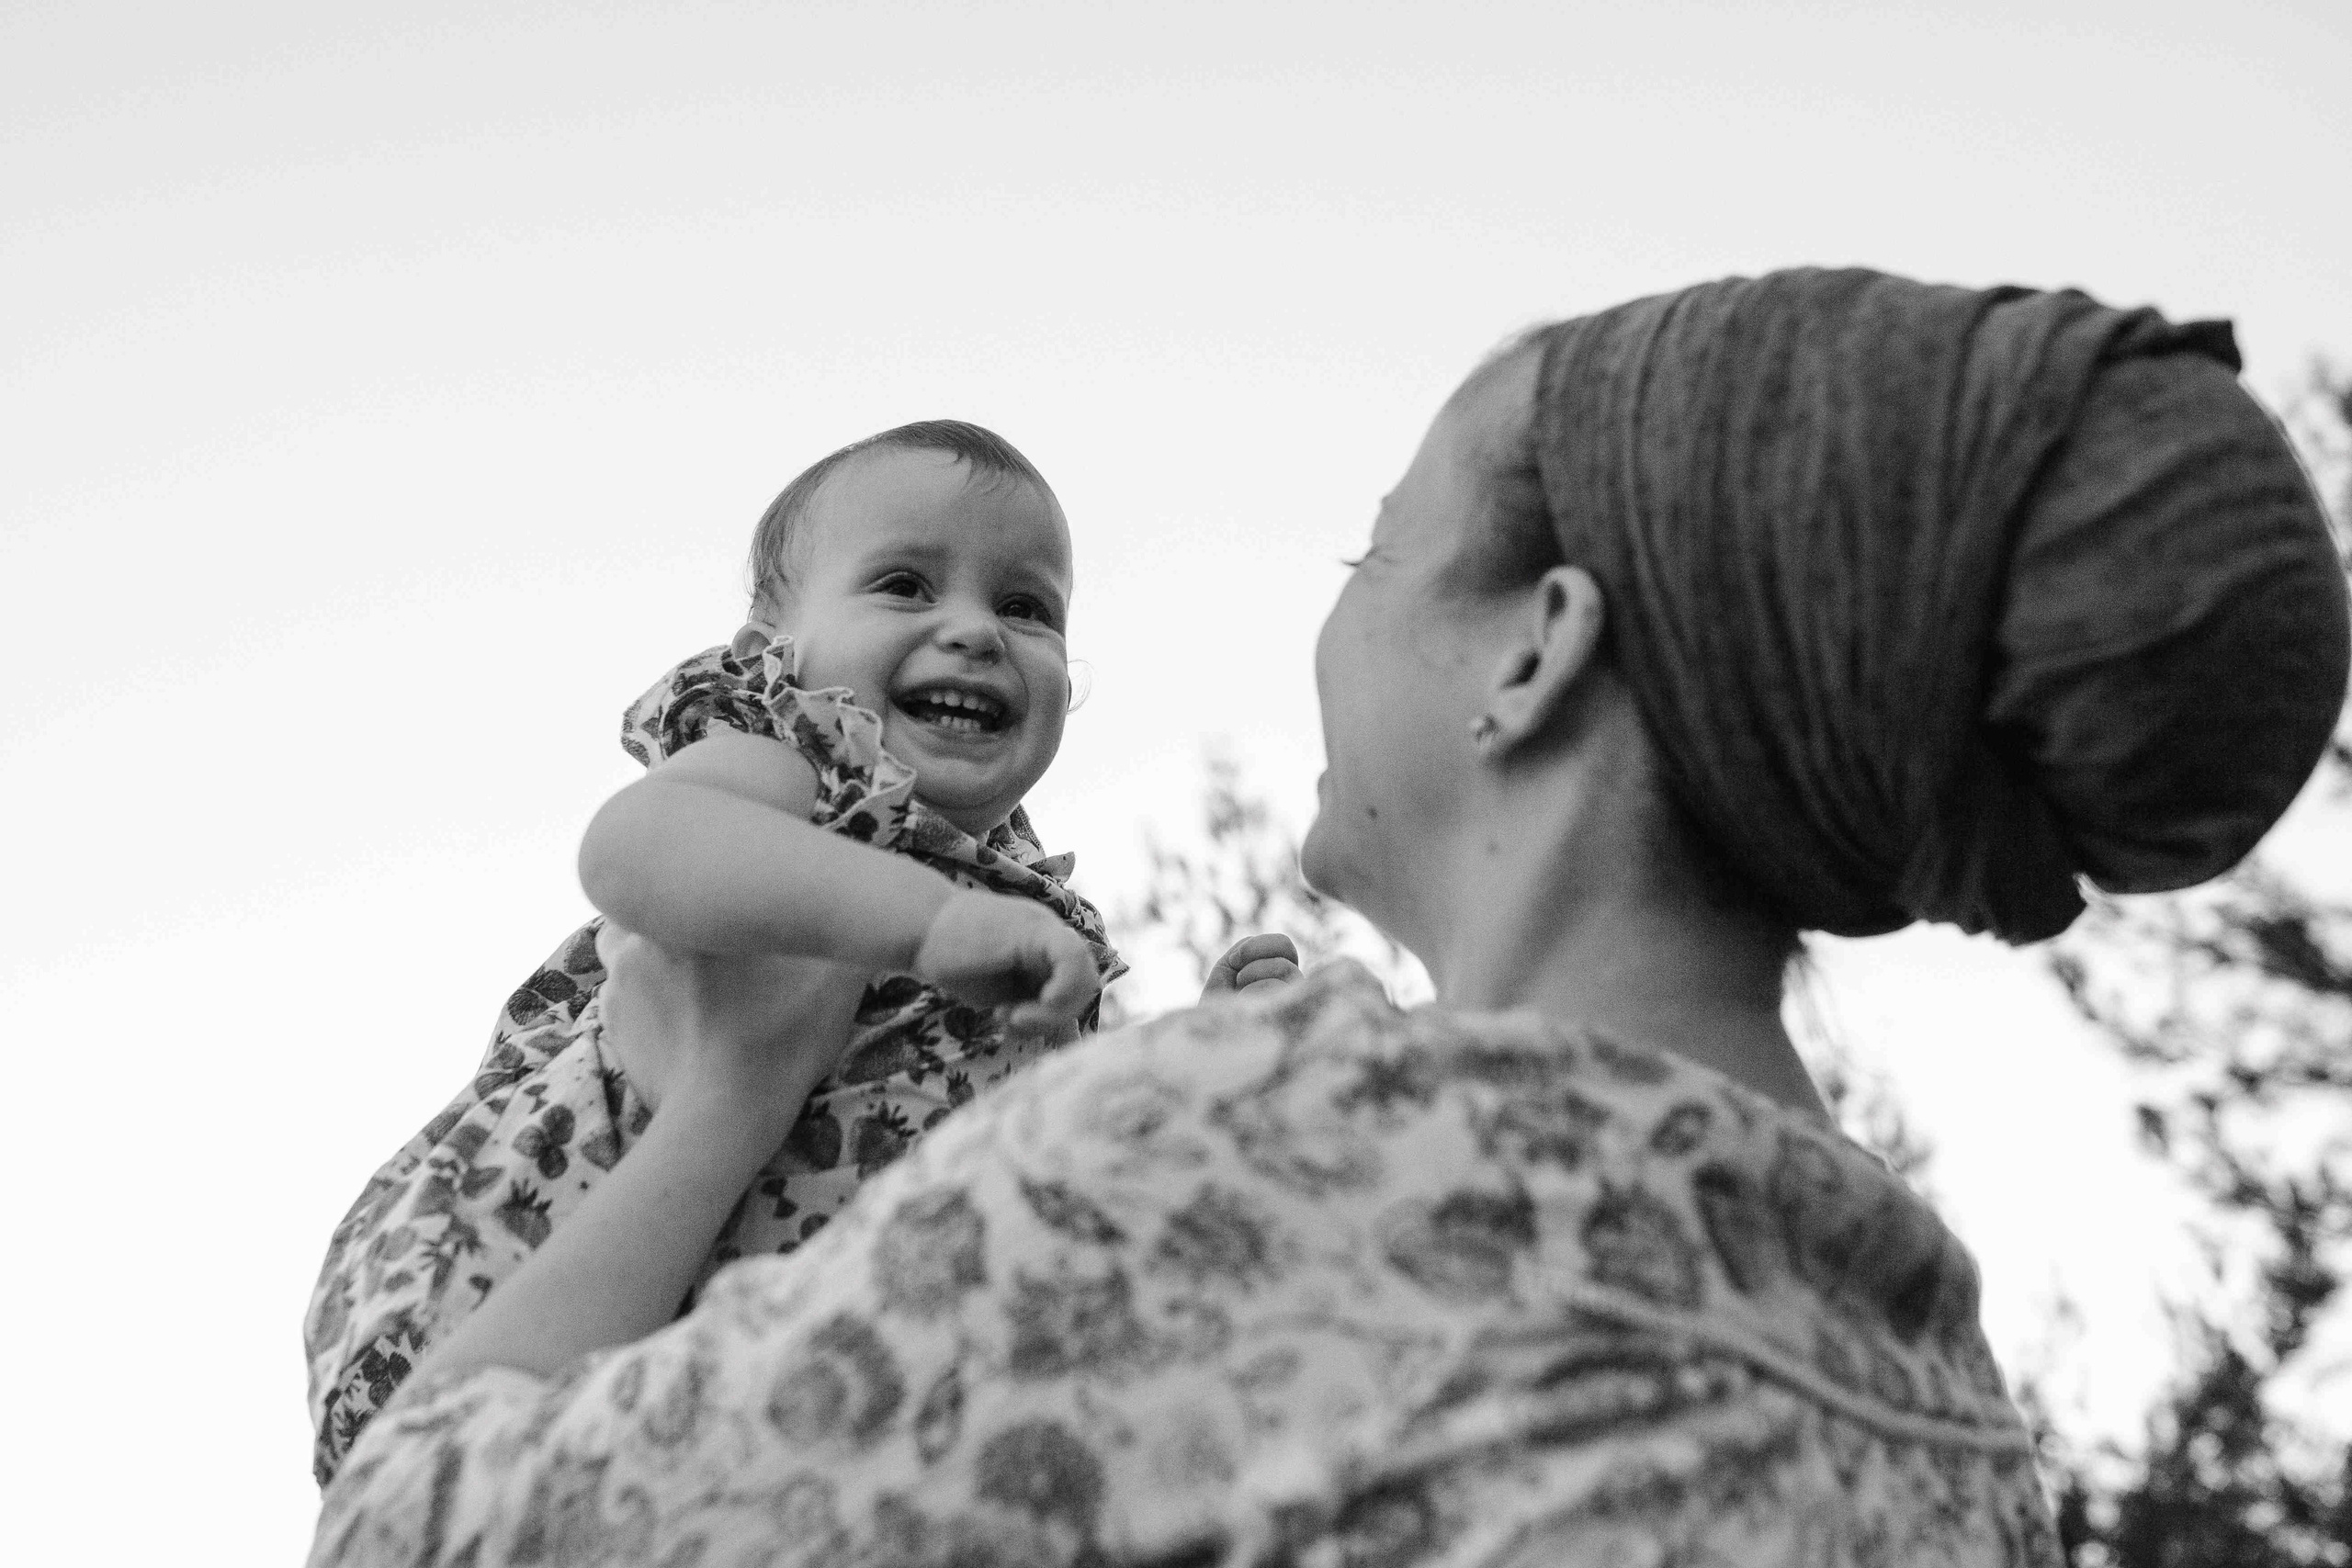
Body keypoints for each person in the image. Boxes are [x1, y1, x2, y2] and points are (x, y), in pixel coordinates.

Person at [309, 269, 2348, 1567]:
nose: (1333, 611)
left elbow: (407, 1528)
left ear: (1535, 650)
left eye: (1379, 548)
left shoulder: (1256, 1162)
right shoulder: (1936, 1375)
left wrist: (724, 1106)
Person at [301, 419, 1302, 1484]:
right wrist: (926, 924)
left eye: (1026, 606)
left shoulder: (1012, 897)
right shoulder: (804, 762)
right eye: (905, 585)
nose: (975, 631)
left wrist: (1193, 1067)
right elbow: (634, 847)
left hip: (747, 1382)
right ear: (769, 648)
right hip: (515, 1262)